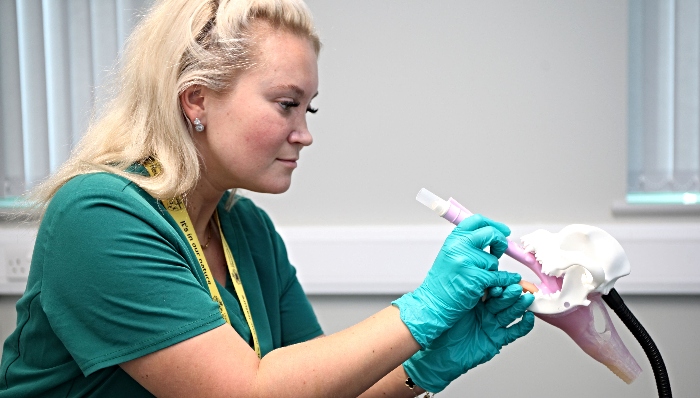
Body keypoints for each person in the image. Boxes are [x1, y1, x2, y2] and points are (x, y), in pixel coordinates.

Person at [0, 0, 535, 396]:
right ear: (196, 101)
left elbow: (318, 390)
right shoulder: (98, 215)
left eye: (310, 110)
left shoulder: (246, 228)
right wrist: (421, 311)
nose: (304, 134)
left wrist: (426, 364)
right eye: (286, 104)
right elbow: (244, 392)